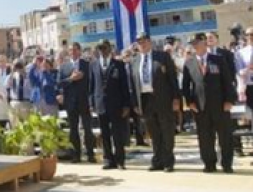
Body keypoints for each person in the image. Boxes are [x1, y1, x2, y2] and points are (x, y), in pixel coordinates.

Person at [184, 34, 238, 173]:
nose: (194, 46)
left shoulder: (218, 60)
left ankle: (227, 164)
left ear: (204, 43)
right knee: (205, 138)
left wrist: (229, 100)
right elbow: (186, 86)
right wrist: (189, 102)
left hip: (220, 105)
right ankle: (209, 164)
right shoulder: (189, 63)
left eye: (197, 42)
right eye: (192, 43)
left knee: (225, 137)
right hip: (200, 107)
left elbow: (227, 82)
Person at [130, 33, 181, 173]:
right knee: (154, 132)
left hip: (163, 99)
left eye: (144, 41)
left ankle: (168, 161)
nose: (142, 44)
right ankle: (157, 160)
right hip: (145, 100)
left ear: (150, 42)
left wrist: (176, 98)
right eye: (139, 41)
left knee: (167, 130)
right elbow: (133, 85)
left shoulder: (162, 56)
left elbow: (172, 78)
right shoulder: (135, 60)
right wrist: (135, 103)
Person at [90, 41, 131, 170]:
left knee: (117, 133)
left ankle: (120, 160)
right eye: (100, 48)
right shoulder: (93, 65)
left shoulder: (118, 64)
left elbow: (125, 86)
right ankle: (108, 159)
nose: (103, 50)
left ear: (110, 48)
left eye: (105, 48)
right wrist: (92, 103)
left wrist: (126, 105)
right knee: (105, 133)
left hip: (116, 104)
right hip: (101, 104)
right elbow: (91, 86)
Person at [58, 42, 95, 164]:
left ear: (79, 51)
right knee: (73, 130)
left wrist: (91, 102)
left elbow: (92, 83)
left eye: (74, 50)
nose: (72, 52)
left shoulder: (87, 64)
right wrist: (71, 79)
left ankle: (90, 154)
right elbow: (60, 83)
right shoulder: (64, 66)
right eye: (70, 50)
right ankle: (76, 155)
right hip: (71, 103)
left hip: (84, 101)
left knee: (88, 129)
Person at [7, 61, 34, 127]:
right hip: (14, 102)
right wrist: (12, 72)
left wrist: (25, 75)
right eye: (17, 66)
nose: (18, 68)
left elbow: (32, 88)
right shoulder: (12, 75)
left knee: (26, 125)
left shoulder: (29, 76)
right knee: (15, 125)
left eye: (20, 66)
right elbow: (7, 85)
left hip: (26, 102)